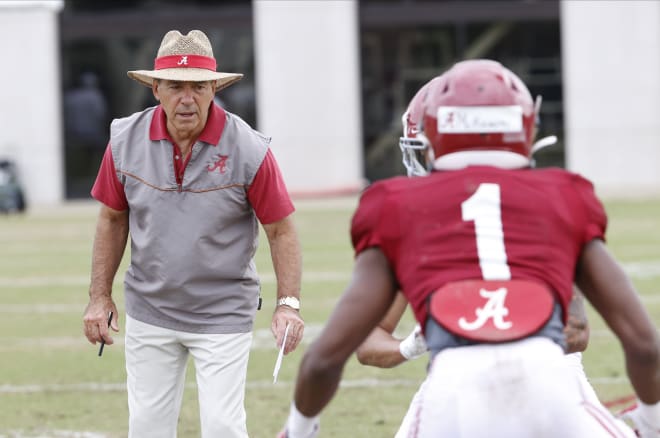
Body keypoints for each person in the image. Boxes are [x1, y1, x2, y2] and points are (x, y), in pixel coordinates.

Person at [279, 59, 660, 437]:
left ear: (436, 137)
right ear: (525, 129)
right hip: (552, 385)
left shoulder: (396, 206)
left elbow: (323, 360)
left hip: (453, 389)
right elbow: (644, 344)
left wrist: (298, 431)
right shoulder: (564, 196)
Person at [81, 29, 305, 438]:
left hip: (223, 312)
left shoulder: (250, 148)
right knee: (147, 428)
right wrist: (99, 297)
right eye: (176, 86)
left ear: (214, 88)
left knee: (222, 427)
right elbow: (112, 219)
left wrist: (287, 305)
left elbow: (281, 230)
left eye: (199, 86)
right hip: (150, 309)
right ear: (156, 90)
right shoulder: (123, 141)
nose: (188, 97)